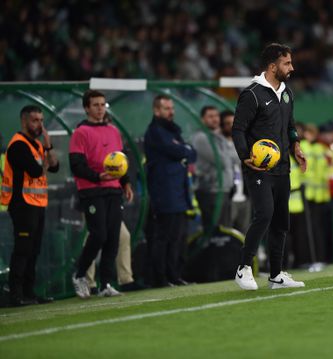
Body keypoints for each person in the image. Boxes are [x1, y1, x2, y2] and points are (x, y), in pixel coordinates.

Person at [232, 43, 307, 290]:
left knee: (280, 221)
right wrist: (245, 157)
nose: (292, 67)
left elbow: (290, 124)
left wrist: (295, 145)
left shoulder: (286, 92)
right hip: (258, 168)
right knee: (264, 214)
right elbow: (238, 129)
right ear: (273, 66)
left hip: (283, 167)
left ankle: (276, 275)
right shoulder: (252, 94)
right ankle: (243, 268)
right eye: (287, 63)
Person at [69, 90, 134, 298]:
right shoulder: (80, 132)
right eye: (95, 105)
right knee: (99, 234)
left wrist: (126, 183)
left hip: (113, 190)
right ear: (86, 108)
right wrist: (98, 177)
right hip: (91, 190)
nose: (100, 109)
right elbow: (76, 165)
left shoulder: (113, 130)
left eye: (102, 105)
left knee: (113, 237)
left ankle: (106, 283)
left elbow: (119, 162)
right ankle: (79, 274)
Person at [1, 105, 59, 306]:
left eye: (41, 120)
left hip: (37, 204)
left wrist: (49, 147)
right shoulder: (18, 145)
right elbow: (37, 171)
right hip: (22, 204)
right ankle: (15, 294)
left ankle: (29, 292)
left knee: (34, 250)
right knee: (23, 249)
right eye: (35, 120)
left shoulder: (37, 145)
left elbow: (55, 166)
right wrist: (46, 155)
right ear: (23, 121)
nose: (40, 125)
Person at [144, 95, 197, 287]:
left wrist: (182, 149)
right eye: (167, 108)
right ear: (156, 111)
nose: (171, 111)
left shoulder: (172, 131)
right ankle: (161, 278)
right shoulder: (156, 132)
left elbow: (191, 153)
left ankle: (174, 275)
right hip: (164, 192)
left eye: (172, 108)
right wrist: (182, 149)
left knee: (177, 238)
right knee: (164, 238)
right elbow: (180, 151)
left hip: (177, 191)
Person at [191, 106, 235, 234]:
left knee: (225, 231)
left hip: (223, 190)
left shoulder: (218, 137)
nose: (215, 119)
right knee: (214, 233)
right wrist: (229, 152)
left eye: (216, 116)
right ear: (202, 119)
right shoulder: (201, 138)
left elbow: (236, 158)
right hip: (211, 191)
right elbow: (222, 161)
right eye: (210, 116)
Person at [220, 109, 250, 234]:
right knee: (227, 233)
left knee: (245, 235)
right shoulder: (219, 144)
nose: (231, 126)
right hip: (228, 198)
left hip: (244, 197)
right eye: (227, 123)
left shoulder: (244, 143)